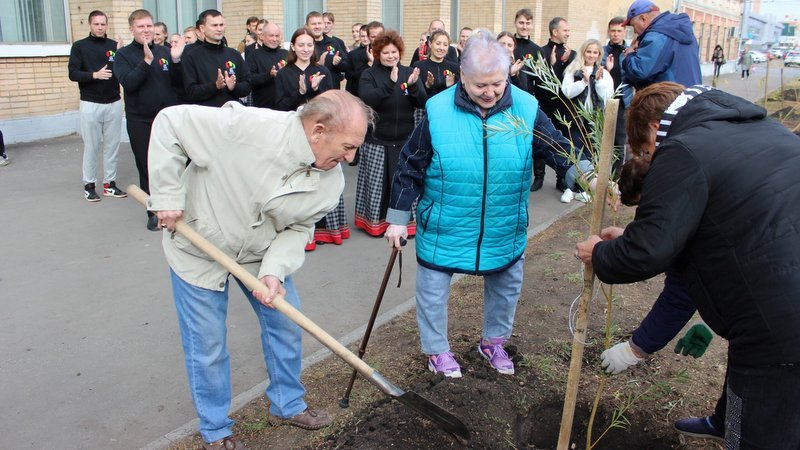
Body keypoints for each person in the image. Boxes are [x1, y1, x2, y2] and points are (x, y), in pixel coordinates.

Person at [576, 82, 800, 449]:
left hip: (780, 314)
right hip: (781, 280)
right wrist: (635, 233)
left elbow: (648, 255)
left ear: (652, 129)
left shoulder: (683, 147)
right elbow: (700, 233)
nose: (652, 157)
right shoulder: (756, 129)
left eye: (648, 151)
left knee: (764, 387)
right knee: (761, 371)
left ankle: (742, 434)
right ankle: (726, 420)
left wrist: (599, 254)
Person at [147, 90, 373, 450]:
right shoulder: (246, 127)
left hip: (259, 251)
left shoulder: (330, 180)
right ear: (317, 131)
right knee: (207, 344)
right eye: (347, 146)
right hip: (198, 246)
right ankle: (215, 429)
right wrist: (168, 196)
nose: (351, 157)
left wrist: (274, 270)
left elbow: (299, 228)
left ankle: (287, 404)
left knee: (285, 322)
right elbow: (170, 122)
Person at [385, 30, 591, 378]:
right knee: (433, 291)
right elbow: (409, 166)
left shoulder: (526, 108)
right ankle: (437, 350)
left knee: (506, 286)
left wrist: (586, 175)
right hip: (445, 222)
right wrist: (396, 219)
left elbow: (556, 147)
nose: (490, 92)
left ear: (507, 73)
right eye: (480, 85)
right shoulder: (438, 110)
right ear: (462, 76)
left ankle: (493, 343)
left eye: (496, 84)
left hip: (503, 221)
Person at [275, 29, 344, 250]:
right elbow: (279, 106)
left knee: (321, 179)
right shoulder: (285, 73)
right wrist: (301, 93)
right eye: (301, 45)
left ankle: (324, 229)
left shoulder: (322, 71)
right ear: (293, 47)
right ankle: (299, 230)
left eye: (309, 45)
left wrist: (314, 94)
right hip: (295, 133)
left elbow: (332, 105)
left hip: (321, 135)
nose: (305, 49)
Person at [114, 8, 182, 231]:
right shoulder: (123, 55)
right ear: (132, 29)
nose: (146, 30)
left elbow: (178, 84)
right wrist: (145, 61)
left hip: (167, 119)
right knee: (147, 165)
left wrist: (177, 60)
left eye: (149, 26)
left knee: (172, 163)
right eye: (141, 26)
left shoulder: (164, 51)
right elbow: (129, 83)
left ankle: (175, 207)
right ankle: (153, 211)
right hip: (140, 120)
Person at [356, 30, 426, 237]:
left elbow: (422, 101)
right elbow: (368, 100)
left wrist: (413, 87)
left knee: (403, 184)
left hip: (404, 139)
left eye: (394, 52)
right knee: (379, 187)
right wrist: (389, 83)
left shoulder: (408, 72)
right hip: (377, 140)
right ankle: (376, 224)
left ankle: (404, 224)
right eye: (386, 52)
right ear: (378, 53)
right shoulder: (369, 75)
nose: (390, 56)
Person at [68, 9, 126, 202]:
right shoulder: (80, 47)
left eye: (103, 24)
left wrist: (122, 52)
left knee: (112, 145)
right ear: (90, 25)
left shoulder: (114, 46)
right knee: (92, 146)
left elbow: (121, 71)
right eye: (96, 24)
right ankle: (89, 185)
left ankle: (109, 184)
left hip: (114, 102)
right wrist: (94, 75)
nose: (100, 27)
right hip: (90, 103)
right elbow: (73, 73)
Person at [559, 38, 614, 203]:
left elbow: (607, 97)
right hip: (576, 118)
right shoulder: (573, 70)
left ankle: (585, 188)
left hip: (594, 119)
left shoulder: (603, 73)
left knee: (590, 153)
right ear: (583, 52)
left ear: (599, 55)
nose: (591, 55)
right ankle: (570, 187)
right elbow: (567, 91)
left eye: (595, 52)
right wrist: (583, 81)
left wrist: (597, 81)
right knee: (575, 152)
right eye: (588, 51)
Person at [533, 17, 576, 193]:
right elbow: (538, 81)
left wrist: (566, 63)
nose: (568, 33)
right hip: (545, 105)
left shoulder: (572, 54)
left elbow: (574, 81)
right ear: (555, 31)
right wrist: (549, 66)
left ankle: (561, 178)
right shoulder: (541, 52)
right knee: (541, 139)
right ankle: (539, 177)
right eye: (565, 30)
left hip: (565, 108)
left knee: (562, 141)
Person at [620, 0, 701, 89]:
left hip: (670, 98)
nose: (635, 31)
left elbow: (639, 73)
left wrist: (630, 55)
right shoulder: (683, 31)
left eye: (633, 26)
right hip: (692, 95)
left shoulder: (655, 37)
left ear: (643, 19)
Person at [181, 9, 251, 107]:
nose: (219, 29)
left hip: (231, 115)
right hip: (205, 116)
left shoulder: (234, 54)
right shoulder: (192, 56)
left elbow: (247, 86)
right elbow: (191, 92)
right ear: (202, 28)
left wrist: (234, 87)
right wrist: (215, 86)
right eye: (214, 25)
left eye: (221, 25)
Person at [601, 17, 634, 175]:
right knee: (603, 139)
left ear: (624, 32)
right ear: (608, 32)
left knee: (620, 141)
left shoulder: (629, 52)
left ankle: (615, 177)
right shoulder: (602, 51)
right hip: (604, 101)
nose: (615, 34)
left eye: (618, 31)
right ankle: (601, 175)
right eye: (613, 31)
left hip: (623, 101)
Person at [249, 22, 288, 110]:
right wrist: (269, 75)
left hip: (284, 107)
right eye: (271, 36)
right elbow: (250, 79)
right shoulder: (254, 55)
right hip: (263, 108)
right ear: (262, 36)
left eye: (277, 36)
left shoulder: (286, 54)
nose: (274, 39)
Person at [306, 11, 348, 90]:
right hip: (311, 92)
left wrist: (337, 63)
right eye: (313, 24)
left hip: (332, 91)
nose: (317, 26)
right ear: (307, 26)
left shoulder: (333, 43)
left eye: (319, 23)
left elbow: (346, 65)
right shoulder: (304, 44)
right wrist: (317, 65)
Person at [512, 8, 543, 90]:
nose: (524, 27)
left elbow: (540, 82)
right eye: (521, 23)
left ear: (532, 25)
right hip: (507, 95)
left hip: (528, 96)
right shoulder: (507, 46)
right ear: (515, 23)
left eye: (528, 23)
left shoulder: (538, 50)